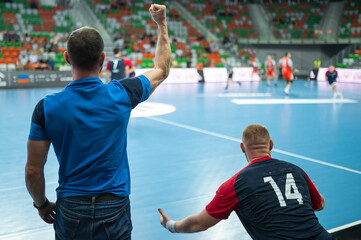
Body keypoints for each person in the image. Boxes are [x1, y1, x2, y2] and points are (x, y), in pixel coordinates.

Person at [25, 4, 170, 239]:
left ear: (66, 57)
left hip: (70, 209)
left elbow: (33, 171)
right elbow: (162, 69)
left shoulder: (46, 107)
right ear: (103, 58)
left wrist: (41, 205)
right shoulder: (122, 93)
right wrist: (161, 23)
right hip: (114, 207)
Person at [158, 124, 334, 240]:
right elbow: (319, 205)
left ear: (242, 148)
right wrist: (317, 195)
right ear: (271, 144)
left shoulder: (235, 184)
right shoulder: (297, 171)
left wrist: (171, 225)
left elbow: (199, 223)